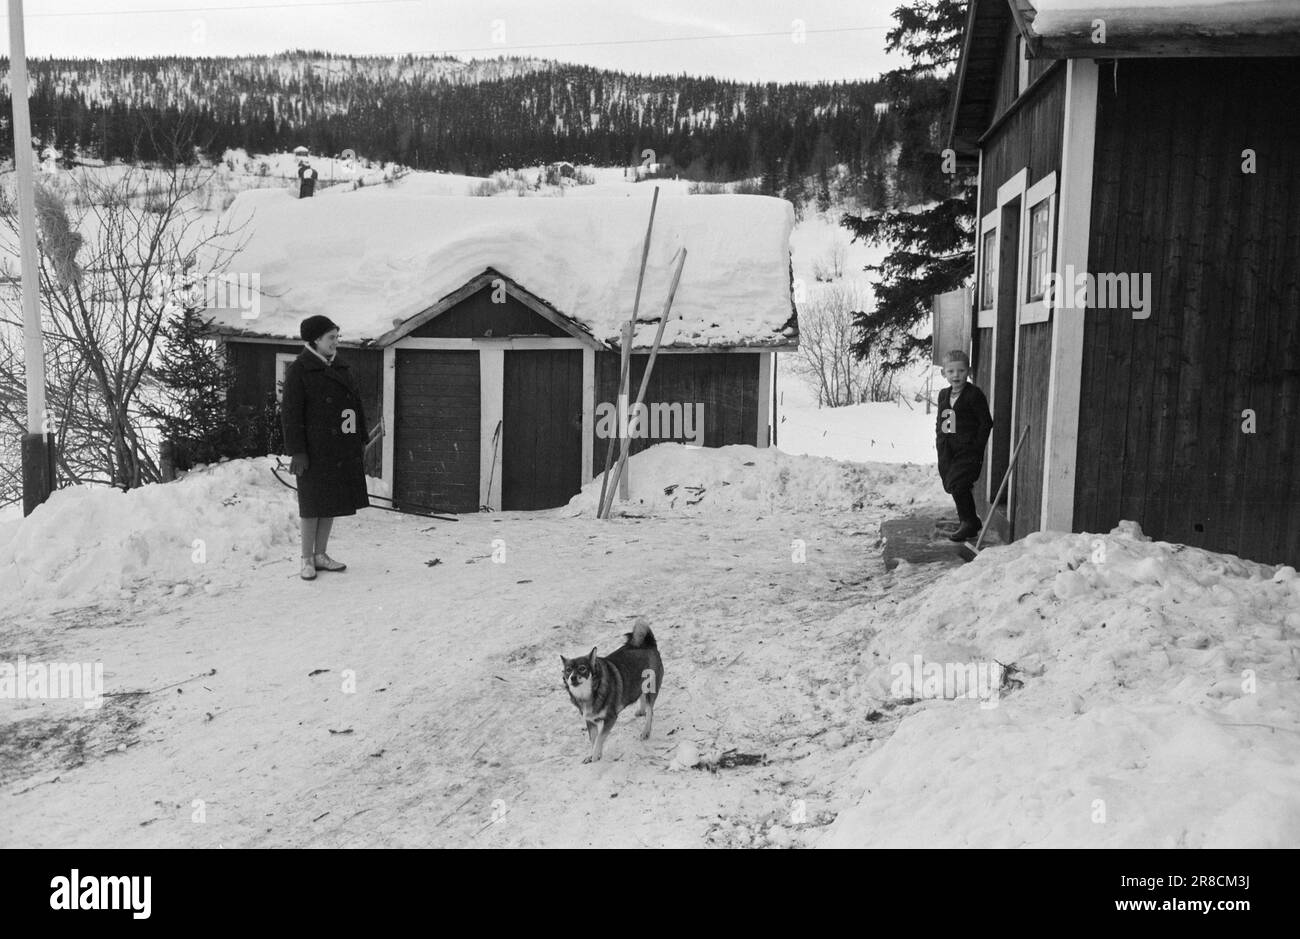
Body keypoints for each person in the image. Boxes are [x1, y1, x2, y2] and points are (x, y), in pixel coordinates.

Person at [281, 315, 370, 580]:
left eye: (337, 337)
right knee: (311, 505)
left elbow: (353, 408)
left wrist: (358, 438)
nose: (335, 342)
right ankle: (306, 559)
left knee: (330, 503)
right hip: (312, 450)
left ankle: (321, 554)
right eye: (331, 338)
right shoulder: (299, 370)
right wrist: (297, 451)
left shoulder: (341, 368)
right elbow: (291, 415)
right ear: (316, 340)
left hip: (338, 448)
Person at [935, 350, 993, 543]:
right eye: (951, 371)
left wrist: (977, 446)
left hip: (968, 450)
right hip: (948, 449)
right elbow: (944, 423)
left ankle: (968, 522)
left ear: (968, 371)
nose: (956, 375)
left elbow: (986, 423)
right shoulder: (944, 395)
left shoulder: (973, 395)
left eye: (960, 370)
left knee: (960, 484)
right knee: (951, 483)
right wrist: (942, 443)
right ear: (944, 373)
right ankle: (971, 521)